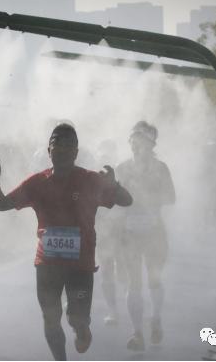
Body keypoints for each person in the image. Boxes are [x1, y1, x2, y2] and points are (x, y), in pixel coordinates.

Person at [0, 123, 132, 360]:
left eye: (68, 145)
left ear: (76, 152)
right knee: (50, 318)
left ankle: (81, 329)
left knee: (76, 318)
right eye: (56, 145)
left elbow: (126, 201)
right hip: (47, 264)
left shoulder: (90, 180)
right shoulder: (37, 182)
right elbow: (1, 205)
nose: (62, 150)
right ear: (48, 151)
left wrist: (114, 185)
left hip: (80, 266)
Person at [115, 121, 175, 351]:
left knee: (154, 279)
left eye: (140, 141)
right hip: (129, 232)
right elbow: (113, 201)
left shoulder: (161, 168)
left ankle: (156, 319)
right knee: (133, 282)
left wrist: (149, 198)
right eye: (132, 141)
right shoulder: (122, 168)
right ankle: (137, 332)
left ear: (151, 144)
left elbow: (172, 197)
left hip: (154, 230)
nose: (135, 145)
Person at [94, 138, 125, 325]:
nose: (105, 157)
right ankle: (113, 311)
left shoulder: (122, 172)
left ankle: (132, 301)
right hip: (103, 231)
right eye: (102, 153)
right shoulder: (93, 176)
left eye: (108, 153)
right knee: (106, 270)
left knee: (124, 270)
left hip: (122, 230)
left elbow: (131, 200)